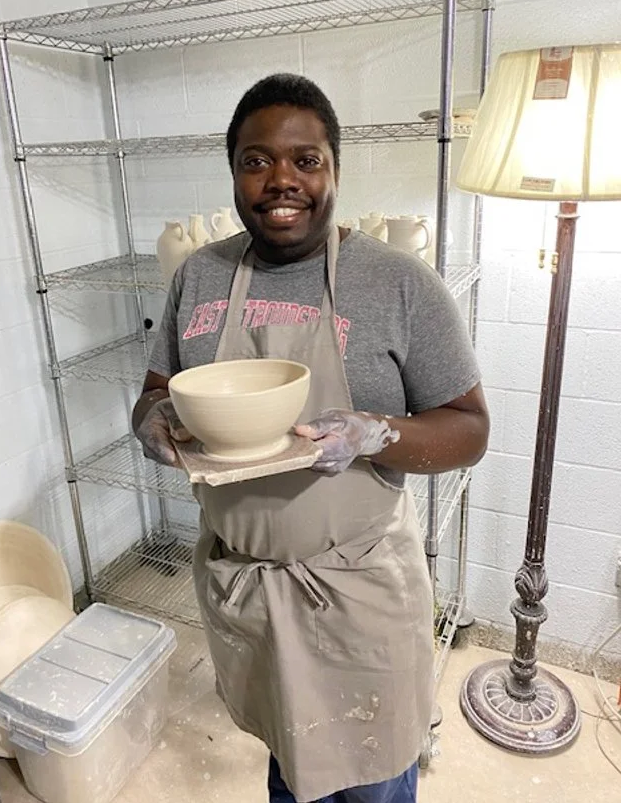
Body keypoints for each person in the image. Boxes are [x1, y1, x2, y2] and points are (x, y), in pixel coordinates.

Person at [133, 73, 489, 803]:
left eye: (306, 159)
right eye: (257, 160)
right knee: (293, 759)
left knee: (373, 773)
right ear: (234, 172)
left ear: (334, 169)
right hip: (249, 585)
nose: (282, 180)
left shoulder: (396, 283)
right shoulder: (199, 276)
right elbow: (156, 391)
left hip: (360, 592)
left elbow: (471, 428)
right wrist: (151, 422)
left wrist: (374, 432)